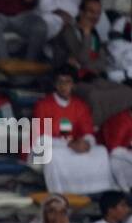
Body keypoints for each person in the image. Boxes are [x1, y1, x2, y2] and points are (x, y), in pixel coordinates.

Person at [32, 66, 114, 195]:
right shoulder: (43, 105)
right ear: (55, 84)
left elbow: (88, 132)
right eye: (60, 82)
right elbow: (41, 138)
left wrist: (86, 143)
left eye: (68, 82)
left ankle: (96, 192)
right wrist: (70, 144)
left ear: (74, 85)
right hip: (46, 148)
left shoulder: (80, 105)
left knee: (101, 152)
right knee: (52, 156)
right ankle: (60, 194)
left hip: (72, 146)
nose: (64, 86)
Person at [55, 0, 132, 125]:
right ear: (81, 12)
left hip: (92, 77)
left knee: (128, 93)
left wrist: (87, 64)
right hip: (71, 80)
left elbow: (102, 63)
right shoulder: (69, 31)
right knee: (94, 96)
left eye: (98, 13)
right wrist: (86, 34)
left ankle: (109, 126)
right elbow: (83, 57)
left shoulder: (96, 34)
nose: (95, 16)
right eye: (91, 12)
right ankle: (93, 128)